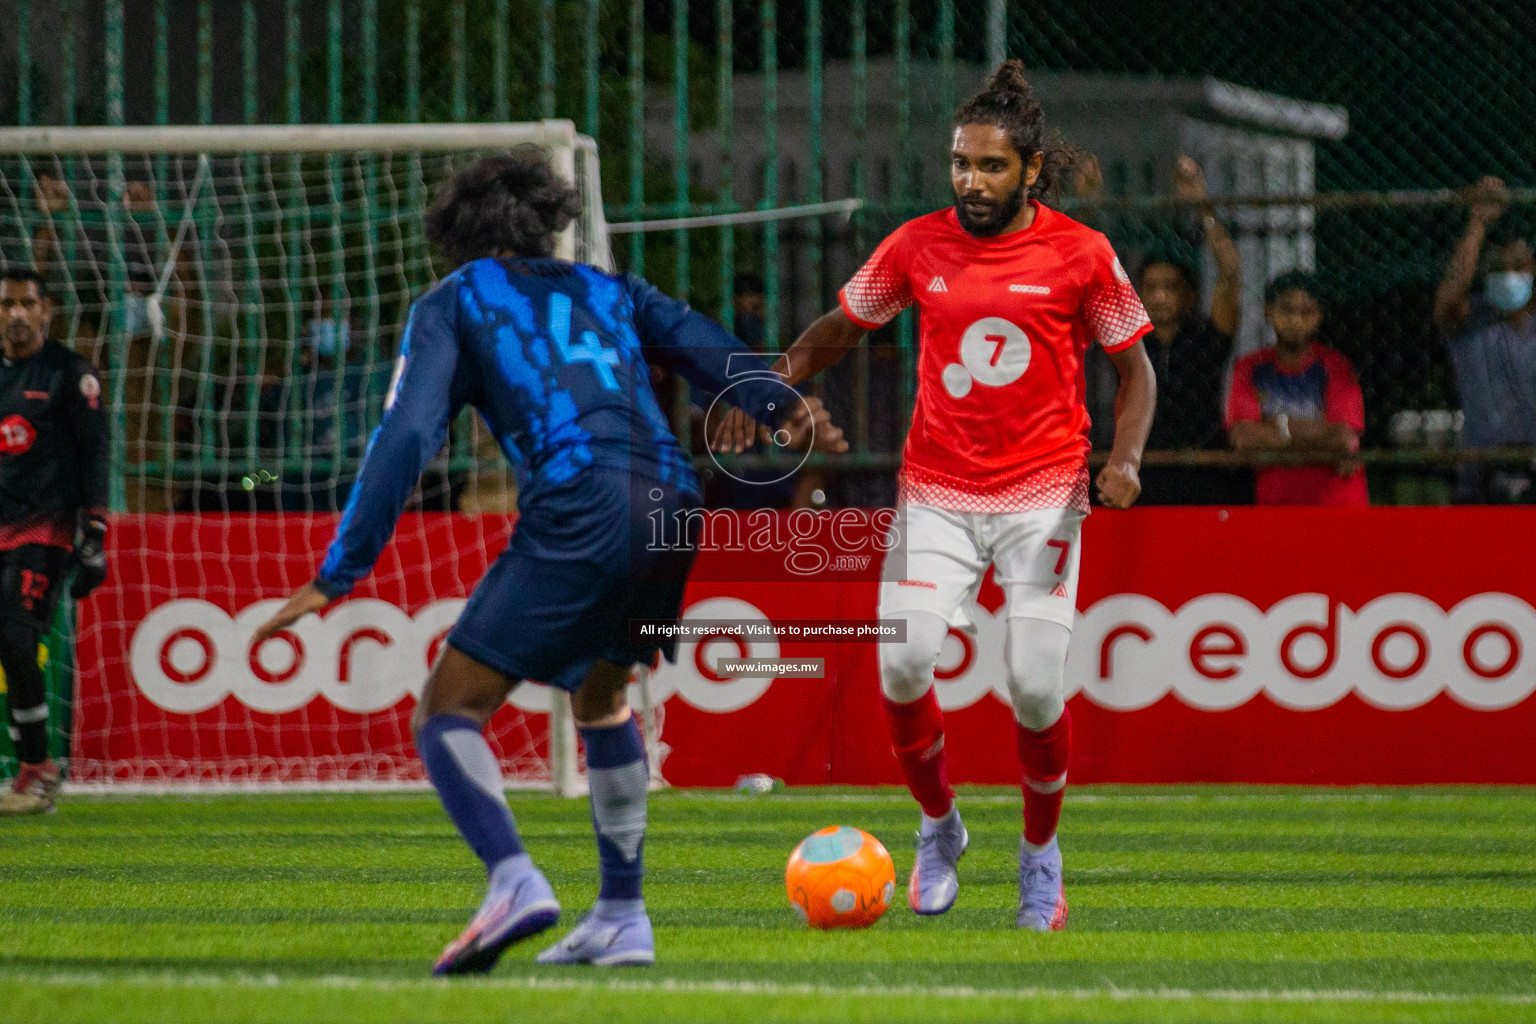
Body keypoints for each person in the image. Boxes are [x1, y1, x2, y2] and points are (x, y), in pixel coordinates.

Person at [253, 148, 844, 973]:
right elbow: (708, 348)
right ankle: (621, 917)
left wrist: (338, 571)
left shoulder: (455, 301)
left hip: (582, 500)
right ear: (546, 222)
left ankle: (513, 881)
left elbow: (406, 439)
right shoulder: (609, 289)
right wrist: (780, 406)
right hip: (674, 505)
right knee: (601, 695)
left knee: (446, 712)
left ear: (458, 236)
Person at [720, 61, 1157, 930]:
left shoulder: (1082, 252)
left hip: (1045, 496)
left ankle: (1040, 856)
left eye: (991, 166)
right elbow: (842, 328)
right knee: (902, 662)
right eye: (961, 162)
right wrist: (774, 381)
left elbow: (1135, 369)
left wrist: (1127, 459)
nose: (971, 180)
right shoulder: (918, 245)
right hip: (936, 494)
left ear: (1030, 170)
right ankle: (938, 827)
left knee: (1034, 688)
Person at [0, 269, 109, 815]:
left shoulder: (70, 374)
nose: (16, 314)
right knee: (11, 645)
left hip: (46, 528)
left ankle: (39, 770)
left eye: (27, 303)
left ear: (47, 311)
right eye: (7, 305)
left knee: (18, 638)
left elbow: (95, 452)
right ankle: (31, 768)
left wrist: (96, 531)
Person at [1133, 156, 1248, 504]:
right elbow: (1086, 288)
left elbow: (1230, 278)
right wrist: (1088, 209)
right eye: (1151, 288)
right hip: (1145, 472)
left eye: (1170, 287)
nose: (1160, 297)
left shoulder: (1207, 340)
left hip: (1205, 471)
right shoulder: (1132, 345)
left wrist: (1202, 206)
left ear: (1189, 295)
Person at [1433, 175, 1536, 503]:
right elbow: (1448, 299)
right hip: (1480, 471)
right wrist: (1477, 224)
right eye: (1498, 267)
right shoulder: (1470, 322)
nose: (1509, 274)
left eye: (1517, 266)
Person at [1226, 272, 1367, 506]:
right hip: (1275, 503)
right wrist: (1318, 439)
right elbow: (1243, 437)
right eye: (1287, 310)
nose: (1295, 320)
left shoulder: (1336, 366)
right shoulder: (1250, 367)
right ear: (1269, 310)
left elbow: (1342, 437)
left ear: (1319, 315)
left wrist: (1278, 427)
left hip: (1336, 502)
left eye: (1306, 312)